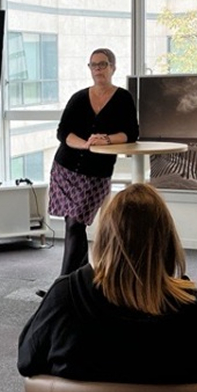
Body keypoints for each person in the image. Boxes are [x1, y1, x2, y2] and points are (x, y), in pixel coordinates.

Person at [19, 183, 197, 383]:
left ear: (105, 239)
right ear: (167, 241)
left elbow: (27, 361)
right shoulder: (193, 311)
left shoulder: (66, 297)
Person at [49, 48, 139, 277]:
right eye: (93, 65)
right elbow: (63, 132)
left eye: (103, 64)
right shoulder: (79, 97)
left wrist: (105, 140)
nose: (98, 69)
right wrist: (85, 144)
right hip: (65, 169)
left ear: (113, 67)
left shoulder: (123, 98)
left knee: (76, 223)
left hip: (96, 173)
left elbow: (131, 133)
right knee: (73, 224)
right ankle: (76, 281)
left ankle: (65, 283)